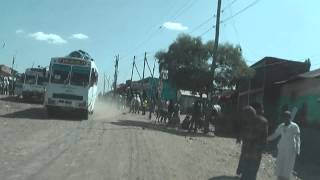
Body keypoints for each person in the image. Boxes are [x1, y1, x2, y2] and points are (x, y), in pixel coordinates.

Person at [267, 110, 300, 180]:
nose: (285, 118)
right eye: (284, 117)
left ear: (290, 117)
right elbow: (275, 135)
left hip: (290, 149)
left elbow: (297, 138)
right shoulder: (281, 126)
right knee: (280, 164)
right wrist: (267, 139)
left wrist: (297, 150)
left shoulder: (294, 126)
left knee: (288, 166)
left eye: (287, 117)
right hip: (282, 148)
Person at [238, 105, 268, 180]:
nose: (244, 118)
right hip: (247, 153)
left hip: (255, 154)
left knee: (251, 174)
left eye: (245, 116)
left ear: (250, 114)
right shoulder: (249, 122)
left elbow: (260, 138)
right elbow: (246, 137)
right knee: (245, 174)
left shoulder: (261, 122)